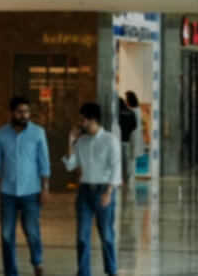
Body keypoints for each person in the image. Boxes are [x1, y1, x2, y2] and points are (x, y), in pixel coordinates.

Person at [0, 97, 52, 276]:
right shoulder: (2, 134)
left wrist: (45, 188)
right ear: (12, 113)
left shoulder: (38, 133)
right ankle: (10, 271)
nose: (23, 115)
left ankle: (37, 262)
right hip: (7, 192)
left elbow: (44, 164)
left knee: (32, 231)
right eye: (19, 112)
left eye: (26, 112)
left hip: (31, 192)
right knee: (6, 235)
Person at [63, 103, 122, 276]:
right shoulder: (81, 141)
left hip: (104, 190)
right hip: (85, 192)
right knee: (82, 237)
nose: (79, 123)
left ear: (92, 120)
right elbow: (70, 166)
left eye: (82, 119)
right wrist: (70, 142)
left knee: (107, 236)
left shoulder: (110, 140)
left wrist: (109, 192)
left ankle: (111, 270)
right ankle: (83, 272)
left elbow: (116, 168)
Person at [117, 95, 138, 184]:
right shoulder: (131, 112)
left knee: (120, 159)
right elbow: (135, 125)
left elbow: (117, 124)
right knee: (127, 158)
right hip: (127, 138)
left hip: (119, 138)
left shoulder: (119, 113)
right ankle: (127, 177)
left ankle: (121, 177)